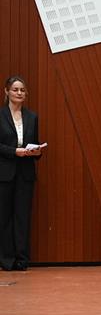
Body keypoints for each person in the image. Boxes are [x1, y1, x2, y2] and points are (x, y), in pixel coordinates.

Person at [0, 76, 41, 271]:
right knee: (4, 216)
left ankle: (21, 259)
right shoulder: (0, 116)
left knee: (22, 216)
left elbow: (35, 142)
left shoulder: (32, 117)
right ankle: (6, 260)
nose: (19, 93)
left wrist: (37, 151)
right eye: (15, 89)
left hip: (25, 173)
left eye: (22, 90)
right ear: (6, 92)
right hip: (4, 173)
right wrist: (13, 151)